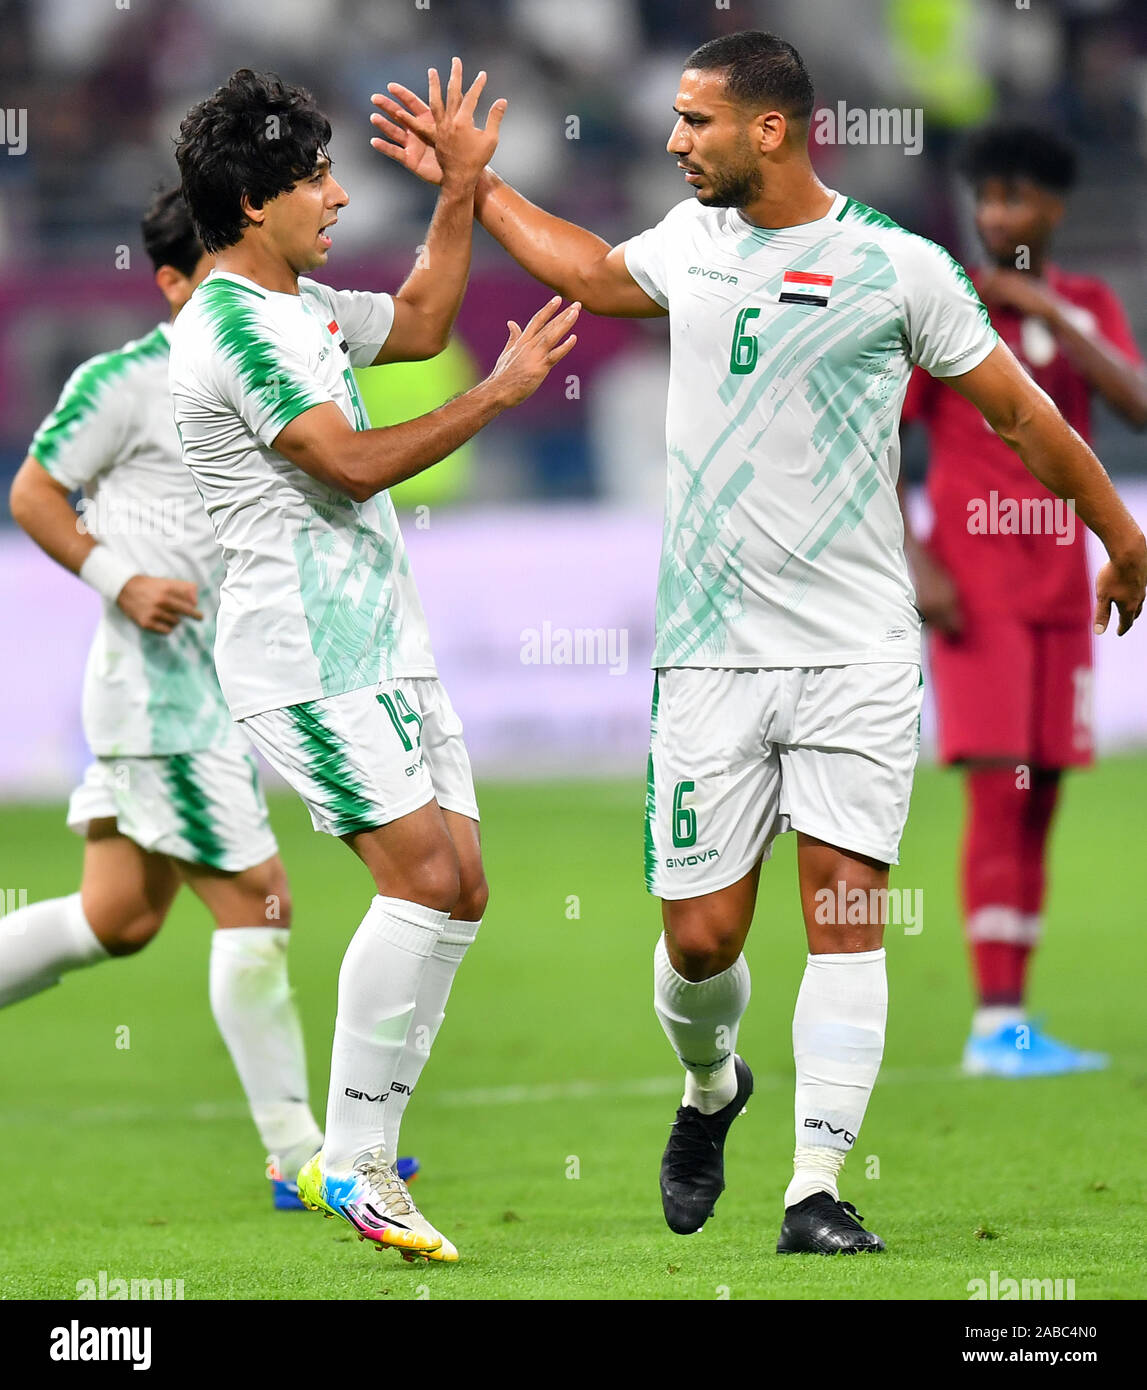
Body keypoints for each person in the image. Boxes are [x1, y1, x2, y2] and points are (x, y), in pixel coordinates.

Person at [372, 31, 1146, 1252]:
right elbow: (586, 266)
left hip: (855, 652)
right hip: (711, 653)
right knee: (701, 942)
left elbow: (1020, 411)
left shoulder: (897, 268)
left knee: (846, 912)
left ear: (769, 130)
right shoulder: (690, 246)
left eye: (696, 121)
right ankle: (710, 1086)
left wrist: (1118, 531)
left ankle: (816, 1192)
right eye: (675, 119)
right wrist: (473, 185)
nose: (674, 141)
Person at [169, 64, 579, 1263]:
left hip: (381, 642)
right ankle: (351, 1163)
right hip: (301, 656)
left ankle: (368, 1148)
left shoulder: (296, 302)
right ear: (254, 203)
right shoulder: (234, 326)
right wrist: (498, 396)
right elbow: (345, 463)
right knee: (415, 877)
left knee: (461, 882)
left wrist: (460, 187)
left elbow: (419, 324)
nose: (339, 198)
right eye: (315, 181)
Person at [3, 187, 323, 1211]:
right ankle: (299, 1158)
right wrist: (120, 579)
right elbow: (34, 492)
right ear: (175, 282)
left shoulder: (263, 367)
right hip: (161, 696)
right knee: (261, 900)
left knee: (120, 916)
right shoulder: (126, 381)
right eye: (216, 272)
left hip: (211, 690)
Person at [899, 124, 1147, 1077]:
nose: (999, 214)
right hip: (977, 589)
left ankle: (1013, 1019)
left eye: (1018, 198)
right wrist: (916, 558)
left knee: (1040, 794)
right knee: (997, 796)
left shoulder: (1078, 304)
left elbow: (1133, 401)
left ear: (1053, 208)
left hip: (1063, 588)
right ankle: (991, 1024)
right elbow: (880, 439)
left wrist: (1041, 305)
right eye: (987, 197)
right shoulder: (939, 306)